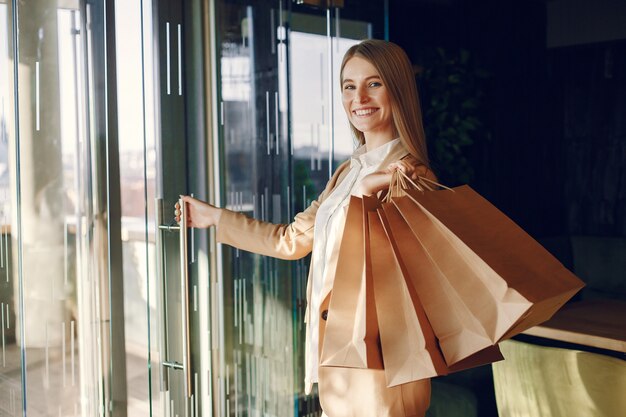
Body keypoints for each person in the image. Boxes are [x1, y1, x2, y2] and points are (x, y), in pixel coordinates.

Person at [176, 39, 436, 417]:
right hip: (337, 357)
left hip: (382, 364)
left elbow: (396, 279)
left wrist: (364, 199)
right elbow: (292, 240)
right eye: (349, 86)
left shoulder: (414, 175)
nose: (358, 96)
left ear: (397, 89)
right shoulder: (349, 171)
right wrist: (215, 217)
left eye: (374, 83)